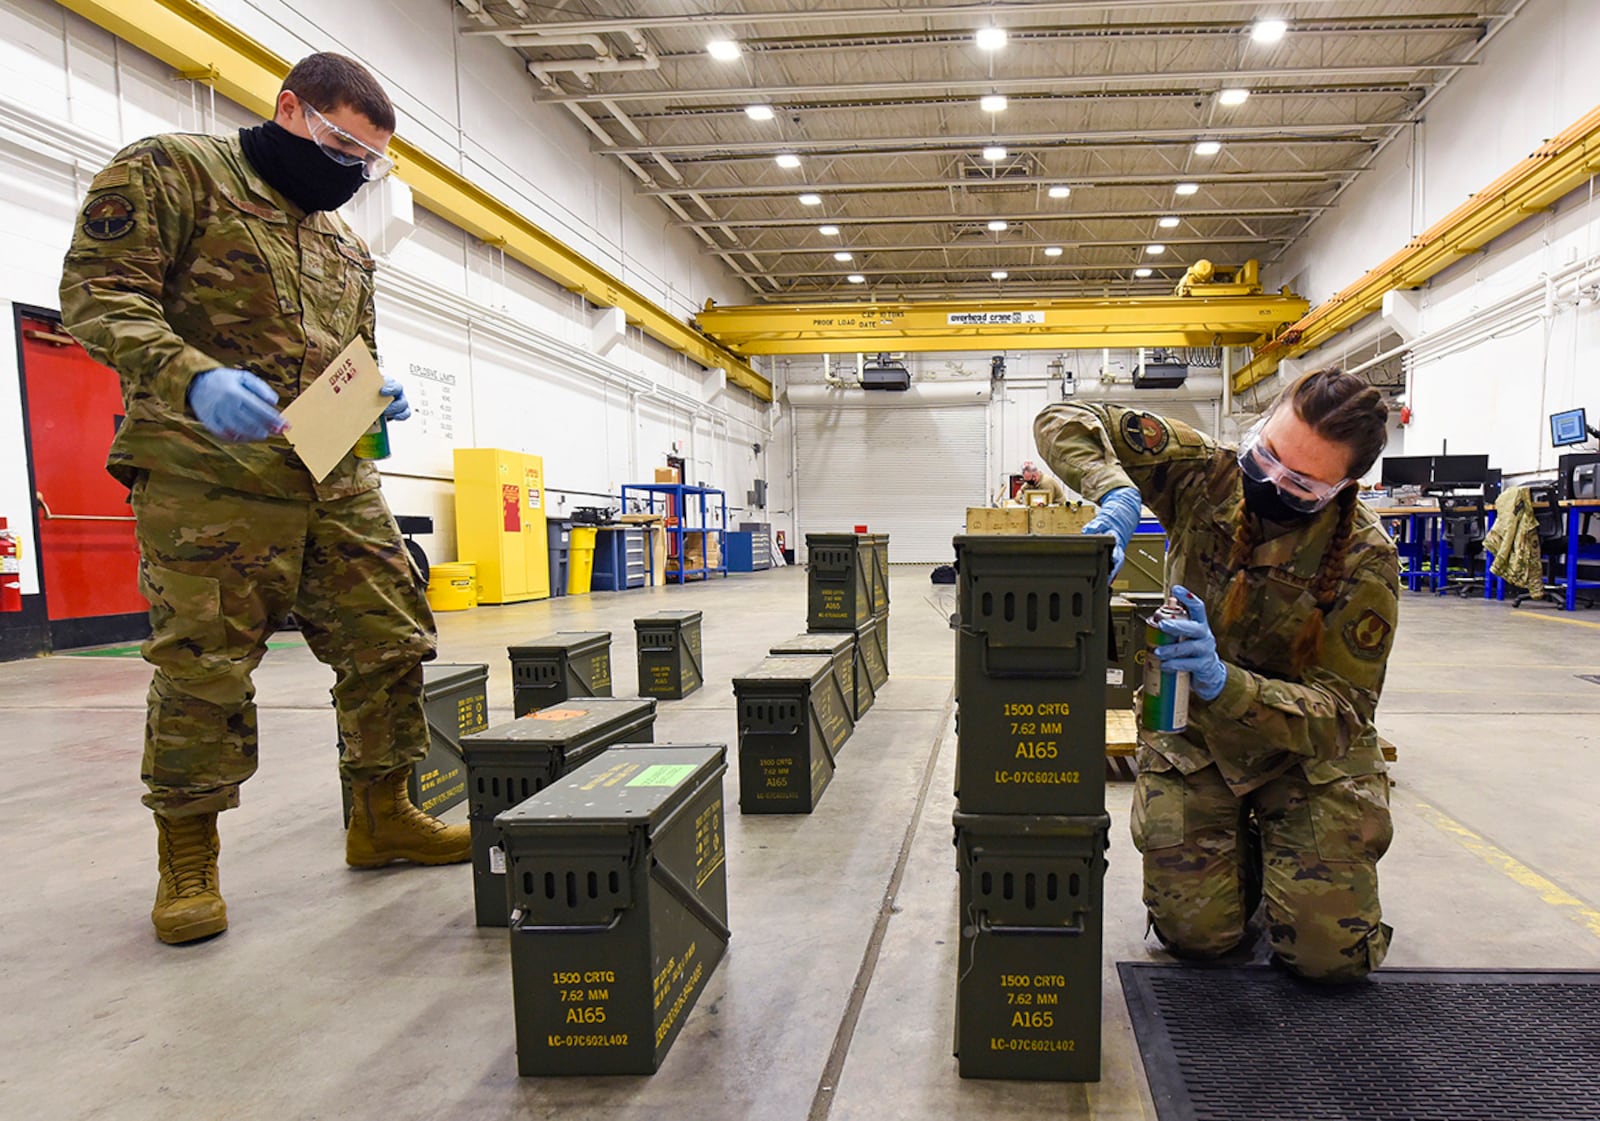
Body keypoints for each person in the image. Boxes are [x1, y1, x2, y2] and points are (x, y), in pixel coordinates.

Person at [60, 53, 469, 946]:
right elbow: (97, 297)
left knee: (390, 638)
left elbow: (345, 353)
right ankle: (188, 857)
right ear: (289, 109)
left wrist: (373, 391)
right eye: (339, 147)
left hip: (331, 469)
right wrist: (190, 375)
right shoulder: (172, 172)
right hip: (207, 475)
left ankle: (382, 812)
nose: (351, 174)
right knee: (204, 664)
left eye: (368, 164)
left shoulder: (344, 246)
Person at [1035, 368, 1398, 983]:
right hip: (1193, 736)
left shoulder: (1366, 559)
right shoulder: (1208, 475)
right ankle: (1244, 857)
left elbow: (1340, 718)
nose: (1272, 484)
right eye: (1270, 456)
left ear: (1344, 486)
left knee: (1328, 958)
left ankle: (1281, 841)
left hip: (1300, 756)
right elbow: (1064, 420)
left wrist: (1223, 681)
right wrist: (1117, 494)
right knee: (1195, 939)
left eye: (1302, 483)